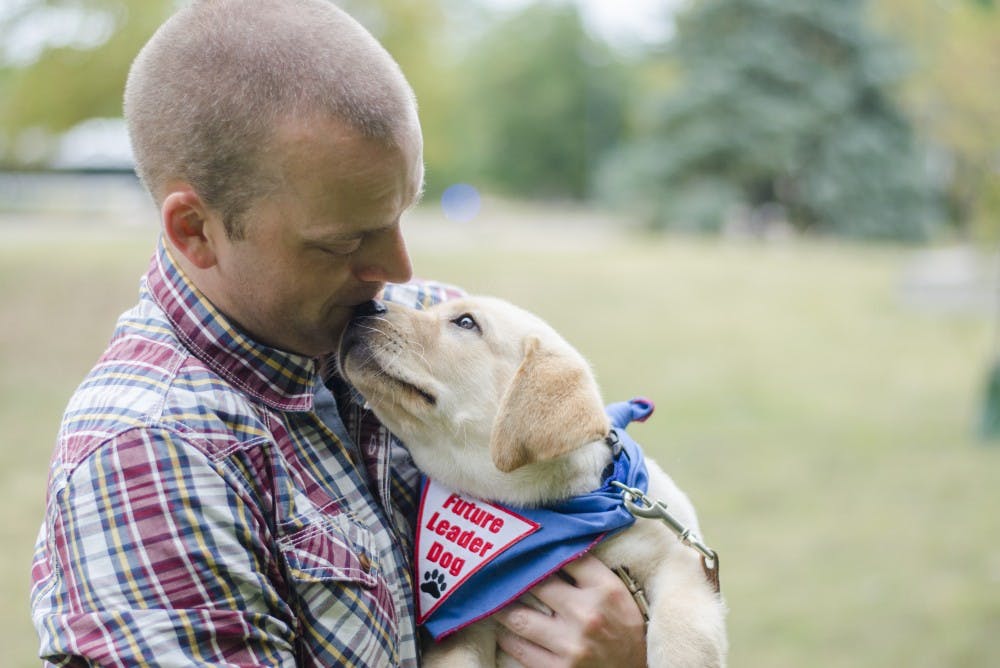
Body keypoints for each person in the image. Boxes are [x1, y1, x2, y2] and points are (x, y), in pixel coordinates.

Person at [29, 1, 646, 666]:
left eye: (399, 214)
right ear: (195, 231)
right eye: (344, 240)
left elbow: (630, 541)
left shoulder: (399, 326)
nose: (399, 272)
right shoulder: (151, 456)